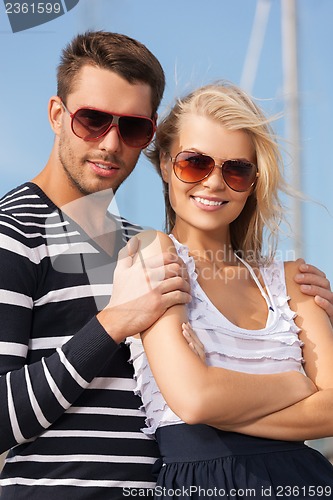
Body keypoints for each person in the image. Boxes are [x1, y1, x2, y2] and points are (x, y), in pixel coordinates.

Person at [0, 31, 331, 499]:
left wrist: (300, 305)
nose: (111, 143)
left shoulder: (143, 245)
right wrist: (113, 323)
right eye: (92, 120)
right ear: (57, 114)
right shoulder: (12, 233)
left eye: (132, 128)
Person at [126, 81, 333, 499]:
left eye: (236, 169)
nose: (214, 182)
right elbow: (195, 400)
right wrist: (297, 384)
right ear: (166, 165)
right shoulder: (152, 252)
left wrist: (223, 401)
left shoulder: (292, 278)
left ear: (254, 182)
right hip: (200, 485)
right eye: (194, 163)